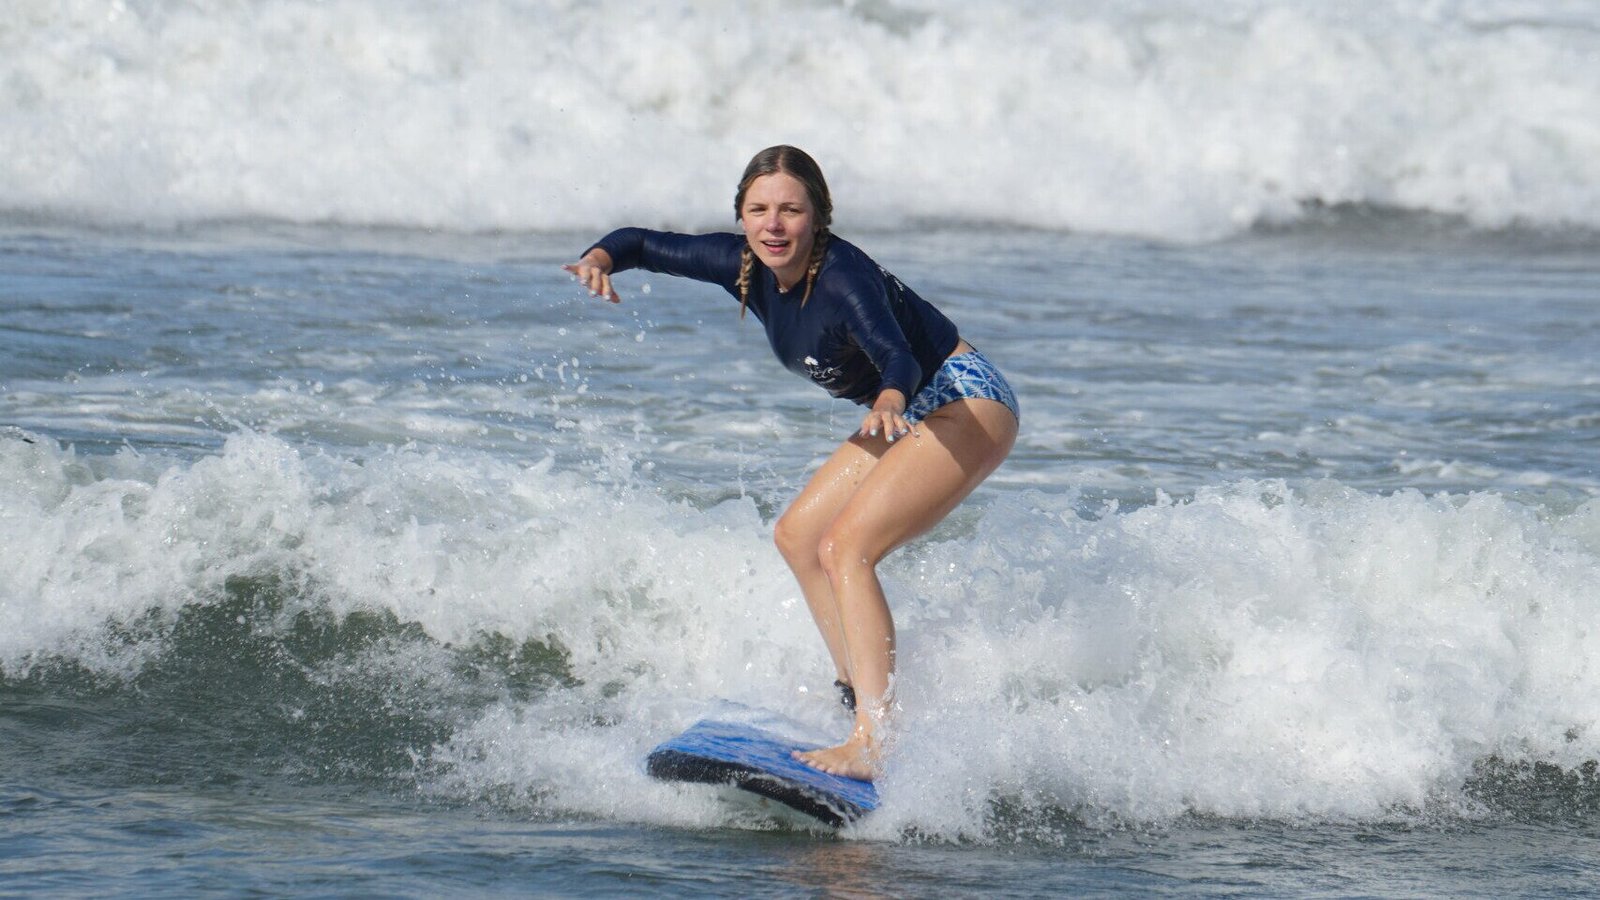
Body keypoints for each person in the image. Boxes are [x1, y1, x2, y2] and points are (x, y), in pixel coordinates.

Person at [565, 145, 1018, 781]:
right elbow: (641, 242)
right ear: (743, 218)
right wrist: (599, 259)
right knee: (800, 536)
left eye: (790, 210)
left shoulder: (843, 279)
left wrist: (890, 396)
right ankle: (853, 695)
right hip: (903, 413)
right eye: (758, 210)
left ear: (818, 218)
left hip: (963, 400)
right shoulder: (741, 264)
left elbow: (898, 357)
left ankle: (874, 738)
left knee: (848, 548)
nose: (773, 224)